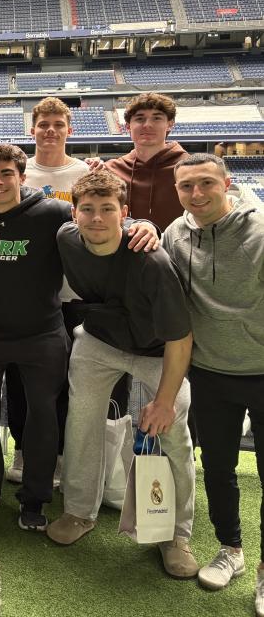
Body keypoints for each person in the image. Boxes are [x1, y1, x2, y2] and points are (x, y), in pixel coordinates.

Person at [0, 144, 157, 532]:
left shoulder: (50, 211)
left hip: (41, 333)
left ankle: (35, 497)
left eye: (6, 173)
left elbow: (98, 216)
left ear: (22, 175)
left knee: (43, 416)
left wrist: (142, 225)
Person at [47, 171, 197, 580]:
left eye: (108, 210)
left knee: (173, 433)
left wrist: (164, 401)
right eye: (88, 210)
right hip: (100, 343)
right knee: (81, 425)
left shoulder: (151, 260)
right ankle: (78, 512)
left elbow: (180, 339)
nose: (97, 218)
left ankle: (175, 534)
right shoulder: (66, 238)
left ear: (125, 214)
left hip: (157, 351)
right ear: (75, 213)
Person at [162, 154, 264, 609]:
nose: (197, 195)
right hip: (210, 373)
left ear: (227, 182)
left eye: (206, 183)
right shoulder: (174, 234)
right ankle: (231, 550)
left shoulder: (260, 230)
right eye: (187, 187)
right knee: (219, 470)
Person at [7, 97, 92, 486]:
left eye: (58, 124)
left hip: (73, 295)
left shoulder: (85, 173)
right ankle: (22, 449)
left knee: (64, 382)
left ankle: (56, 454)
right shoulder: (18, 173)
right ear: (33, 129)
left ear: (69, 130)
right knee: (20, 380)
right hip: (28, 295)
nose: (50, 130)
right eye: (43, 124)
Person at [105, 92, 189, 231]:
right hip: (126, 250)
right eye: (140, 119)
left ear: (170, 124)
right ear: (127, 126)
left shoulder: (189, 168)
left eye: (156, 118)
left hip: (175, 251)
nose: (148, 125)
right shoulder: (110, 170)